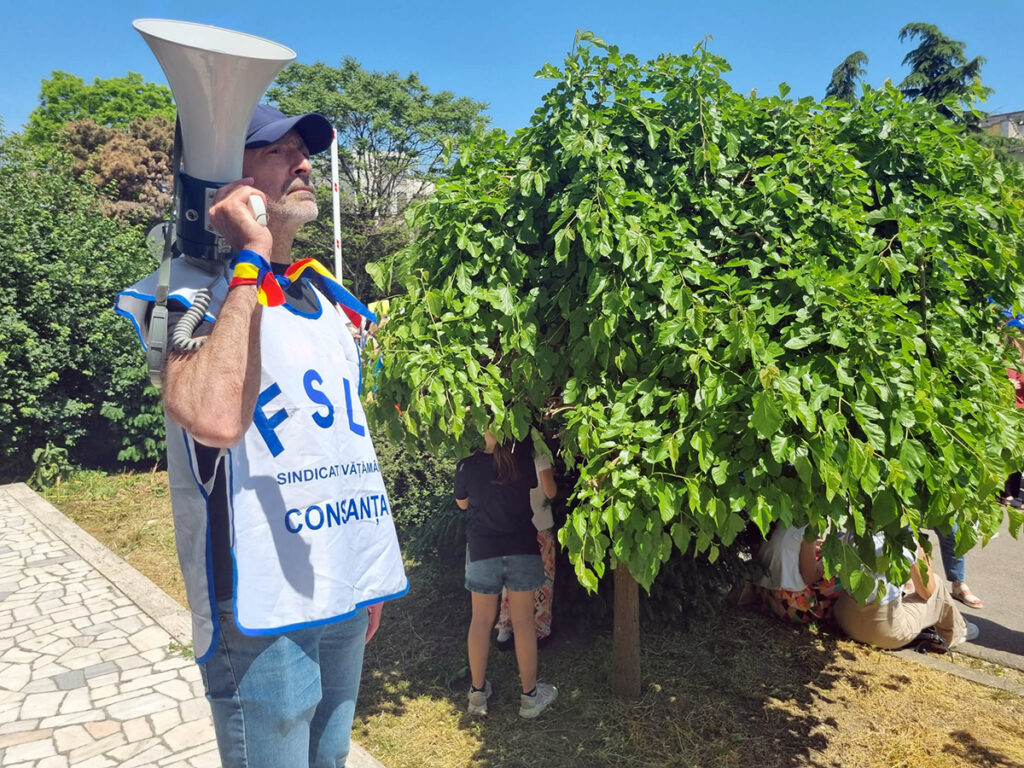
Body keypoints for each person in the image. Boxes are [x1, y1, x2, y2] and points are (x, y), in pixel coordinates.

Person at [115, 104, 408, 768]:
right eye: (278, 152)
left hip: (337, 589)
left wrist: (359, 569)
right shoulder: (179, 292)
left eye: (304, 152)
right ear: (226, 182)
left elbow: (339, 446)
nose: (305, 164)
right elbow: (215, 419)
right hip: (256, 609)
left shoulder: (327, 302)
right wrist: (250, 253)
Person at [455, 431, 558, 718]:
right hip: (522, 548)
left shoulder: (466, 466)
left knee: (481, 620)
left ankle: (477, 695)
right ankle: (529, 697)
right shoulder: (522, 461)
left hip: (482, 550)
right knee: (524, 622)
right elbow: (536, 486)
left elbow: (462, 504)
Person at [833, 533, 978, 651]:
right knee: (936, 584)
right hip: (884, 633)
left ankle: (957, 625)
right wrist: (921, 551)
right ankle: (954, 633)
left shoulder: (853, 531)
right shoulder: (905, 541)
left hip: (844, 620)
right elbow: (927, 592)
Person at [495, 444, 558, 647]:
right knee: (543, 578)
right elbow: (550, 492)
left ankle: (505, 629)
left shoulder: (501, 456)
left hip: (511, 527)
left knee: (511, 579)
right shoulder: (539, 455)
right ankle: (540, 630)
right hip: (540, 526)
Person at [753, 524, 839, 624]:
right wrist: (829, 557)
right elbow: (809, 577)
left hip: (764, 597)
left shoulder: (781, 519)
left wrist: (812, 549)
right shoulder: (808, 529)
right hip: (794, 609)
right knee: (840, 577)